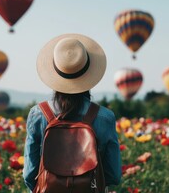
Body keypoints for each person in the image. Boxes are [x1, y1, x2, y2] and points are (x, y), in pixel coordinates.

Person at [23, 33, 122, 192]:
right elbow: (113, 175)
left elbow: (29, 174)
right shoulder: (105, 117)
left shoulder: (38, 114)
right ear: (89, 74)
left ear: (55, 74)